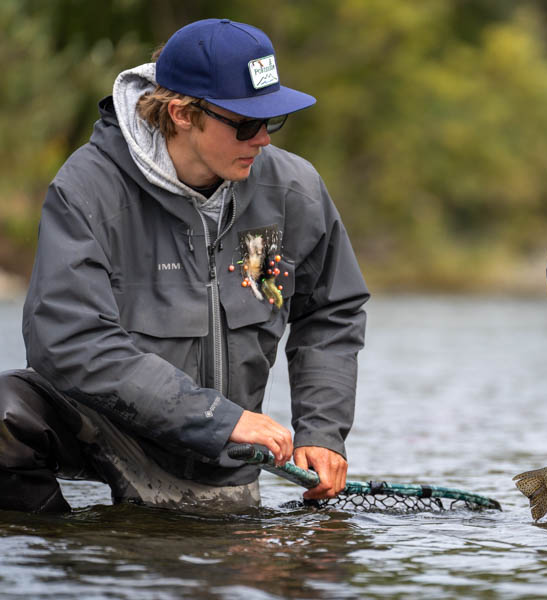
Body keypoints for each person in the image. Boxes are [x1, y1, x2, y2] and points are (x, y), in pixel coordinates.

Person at [0, 19, 369, 512]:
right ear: (181, 114)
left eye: (273, 120)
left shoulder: (294, 190)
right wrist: (217, 417)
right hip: (109, 433)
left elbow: (331, 311)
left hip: (224, 465)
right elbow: (68, 339)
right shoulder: (88, 187)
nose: (262, 140)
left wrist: (322, 431)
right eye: (245, 123)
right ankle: (55, 555)